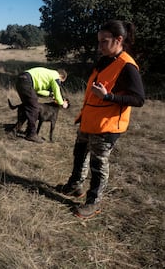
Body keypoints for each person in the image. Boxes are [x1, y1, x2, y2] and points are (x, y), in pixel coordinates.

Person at [58, 20, 145, 219]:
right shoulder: (105, 59)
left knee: (98, 165)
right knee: (79, 154)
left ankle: (93, 203)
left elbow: (139, 99)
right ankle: (74, 186)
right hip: (89, 120)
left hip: (107, 126)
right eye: (99, 42)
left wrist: (108, 96)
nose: (100, 46)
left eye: (104, 42)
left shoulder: (127, 66)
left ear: (119, 40)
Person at [15, 67, 69, 143]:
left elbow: (38, 91)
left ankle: (17, 129)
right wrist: (62, 103)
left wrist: (50, 94)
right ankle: (31, 135)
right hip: (27, 81)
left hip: (21, 79)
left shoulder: (49, 74)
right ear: (61, 76)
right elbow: (57, 92)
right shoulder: (56, 76)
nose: (59, 83)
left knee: (28, 107)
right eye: (61, 82)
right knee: (34, 107)